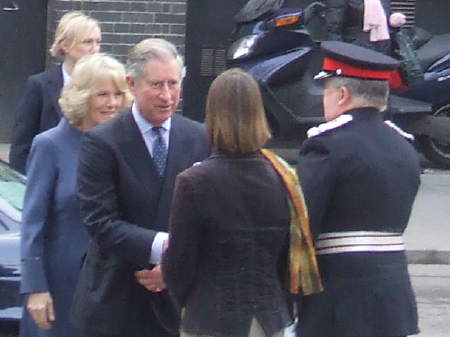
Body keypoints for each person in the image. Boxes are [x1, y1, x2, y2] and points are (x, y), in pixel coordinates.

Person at [162, 68, 322, 337]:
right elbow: (288, 258)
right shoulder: (284, 176)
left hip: (210, 318)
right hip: (269, 319)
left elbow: (179, 266)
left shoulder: (193, 181)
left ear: (212, 115)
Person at [70, 38, 210, 337]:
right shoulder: (103, 142)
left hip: (176, 307)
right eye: (157, 85)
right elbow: (100, 222)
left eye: (174, 84)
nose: (167, 95)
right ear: (132, 84)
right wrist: (166, 249)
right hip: (116, 303)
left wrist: (175, 267)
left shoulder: (199, 137)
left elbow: (212, 216)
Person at [296, 41, 420, 337]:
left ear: (342, 95)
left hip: (338, 303)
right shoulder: (404, 146)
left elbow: (301, 226)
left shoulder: (326, 145)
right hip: (394, 302)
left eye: (326, 91)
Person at [20, 53, 131, 337]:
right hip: (60, 289)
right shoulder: (49, 145)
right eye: (103, 94)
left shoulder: (124, 145)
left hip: (113, 288)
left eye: (118, 94)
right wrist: (36, 288)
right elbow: (33, 225)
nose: (112, 103)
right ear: (81, 96)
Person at [9, 11, 101, 174]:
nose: (95, 49)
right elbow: (21, 146)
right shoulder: (40, 85)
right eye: (87, 42)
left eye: (98, 42)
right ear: (65, 45)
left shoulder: (105, 87)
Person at [325, 0, 391, 54]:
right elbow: (333, 28)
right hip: (353, 50)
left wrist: (393, 23)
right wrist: (338, 53)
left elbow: (385, 23)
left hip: (382, 51)